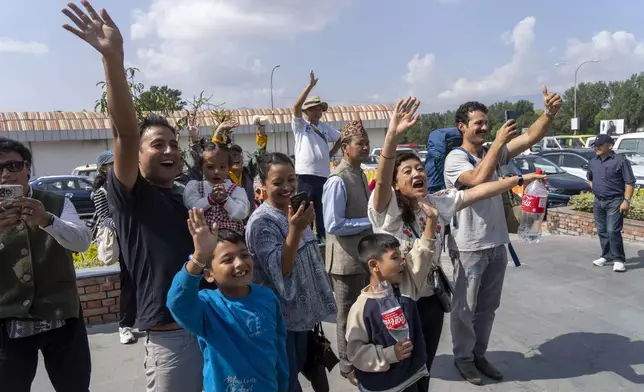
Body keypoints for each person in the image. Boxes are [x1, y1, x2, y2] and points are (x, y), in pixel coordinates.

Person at [62, 2, 203, 391]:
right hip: (172, 338)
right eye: (158, 144)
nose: (170, 151)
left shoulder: (185, 198)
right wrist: (113, 59)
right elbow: (124, 130)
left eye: (174, 144)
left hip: (212, 327)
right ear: (137, 156)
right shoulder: (131, 196)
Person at [369, 97, 547, 386]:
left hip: (428, 298)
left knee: (422, 365)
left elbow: (478, 193)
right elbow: (386, 169)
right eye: (408, 171)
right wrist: (391, 135)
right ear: (394, 183)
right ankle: (462, 359)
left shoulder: (438, 203)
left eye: (419, 168)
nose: (417, 174)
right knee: (398, 365)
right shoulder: (386, 209)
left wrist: (520, 179)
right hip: (396, 299)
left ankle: (474, 357)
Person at [444, 87, 561, 385]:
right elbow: (477, 180)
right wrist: (497, 143)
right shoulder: (455, 159)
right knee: (464, 309)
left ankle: (479, 354)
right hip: (469, 245)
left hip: (497, 244)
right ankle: (464, 359)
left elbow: (531, 136)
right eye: (477, 123)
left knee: (487, 308)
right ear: (462, 127)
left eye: (486, 122)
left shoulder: (493, 153)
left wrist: (548, 114)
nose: (484, 127)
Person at [0, 137, 92, 392]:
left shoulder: (56, 201)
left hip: (62, 317)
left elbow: (82, 242)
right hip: (8, 322)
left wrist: (47, 220)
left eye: (14, 166)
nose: (6, 175)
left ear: (28, 167)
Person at [167, 209, 288, 392]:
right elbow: (177, 301)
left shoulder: (267, 297)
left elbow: (279, 349)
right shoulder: (207, 306)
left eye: (244, 255)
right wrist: (199, 257)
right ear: (208, 275)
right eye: (227, 259)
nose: (239, 263)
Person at [246, 152, 336, 392]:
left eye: (291, 179)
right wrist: (295, 230)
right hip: (281, 320)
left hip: (304, 316)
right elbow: (281, 270)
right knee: (285, 381)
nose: (287, 187)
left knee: (306, 369)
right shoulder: (261, 223)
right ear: (263, 186)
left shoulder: (294, 211)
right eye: (277, 182)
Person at [346, 232, 436, 392]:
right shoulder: (361, 308)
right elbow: (356, 353)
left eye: (401, 255)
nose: (403, 261)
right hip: (383, 386)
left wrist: (431, 220)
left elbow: (421, 256)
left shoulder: (405, 289)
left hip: (413, 377)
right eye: (395, 257)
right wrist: (390, 354)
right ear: (374, 265)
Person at [321, 119, 373, 385]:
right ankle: (347, 365)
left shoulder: (360, 173)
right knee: (346, 316)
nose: (365, 147)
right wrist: (370, 222)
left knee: (361, 314)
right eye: (359, 143)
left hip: (361, 259)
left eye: (366, 142)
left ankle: (359, 357)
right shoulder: (337, 180)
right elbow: (333, 224)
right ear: (345, 147)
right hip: (344, 261)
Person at [91, 150, 137, 345]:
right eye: (112, 164)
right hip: (124, 241)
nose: (117, 166)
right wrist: (127, 227)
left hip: (138, 239)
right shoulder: (100, 192)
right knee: (129, 283)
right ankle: (124, 326)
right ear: (103, 169)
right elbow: (105, 219)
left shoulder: (128, 185)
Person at [291, 70, 342, 242]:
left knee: (322, 209)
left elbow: (341, 138)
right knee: (305, 208)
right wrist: (310, 86)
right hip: (305, 174)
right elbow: (295, 107)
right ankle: (304, 240)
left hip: (323, 175)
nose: (317, 112)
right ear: (306, 111)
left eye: (319, 109)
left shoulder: (326, 128)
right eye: (313, 109)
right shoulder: (300, 125)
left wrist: (331, 153)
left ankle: (322, 239)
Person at [587, 135, 635, 272]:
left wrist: (626, 201)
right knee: (602, 230)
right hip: (598, 201)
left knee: (612, 230)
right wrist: (596, 189)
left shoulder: (620, 161)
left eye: (600, 145)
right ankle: (606, 256)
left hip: (615, 201)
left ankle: (619, 259)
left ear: (609, 146)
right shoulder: (593, 162)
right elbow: (590, 179)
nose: (596, 147)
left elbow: (630, 182)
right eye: (595, 145)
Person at [183, 142, 250, 234]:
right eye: (210, 167)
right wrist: (210, 199)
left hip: (230, 243)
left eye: (222, 167)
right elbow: (193, 208)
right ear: (200, 169)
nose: (217, 171)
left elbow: (242, 213)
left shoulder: (236, 190)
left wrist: (226, 200)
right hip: (203, 241)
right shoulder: (196, 187)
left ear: (229, 168)